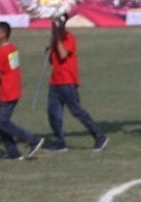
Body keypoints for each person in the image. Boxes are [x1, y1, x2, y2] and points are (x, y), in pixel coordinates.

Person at [44, 14, 107, 153]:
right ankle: (59, 141)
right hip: (55, 81)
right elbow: (52, 61)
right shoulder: (55, 40)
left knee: (77, 111)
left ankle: (99, 136)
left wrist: (56, 37)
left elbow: (63, 55)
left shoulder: (69, 37)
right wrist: (50, 48)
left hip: (68, 81)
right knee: (53, 113)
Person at [0, 22, 45, 161]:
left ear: (4, 34)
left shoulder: (2, 52)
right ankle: (13, 153)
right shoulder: (12, 48)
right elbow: (9, 64)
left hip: (7, 91)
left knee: (3, 123)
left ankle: (33, 140)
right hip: (14, 88)